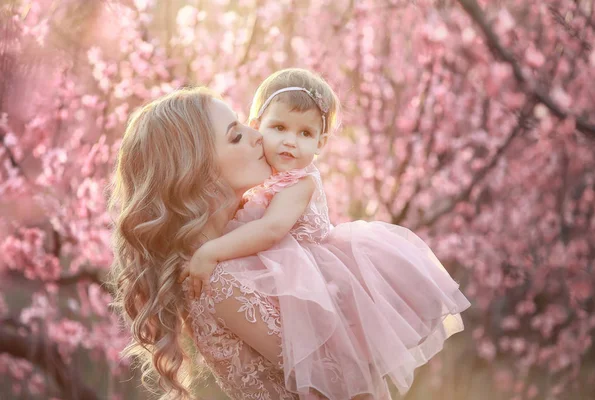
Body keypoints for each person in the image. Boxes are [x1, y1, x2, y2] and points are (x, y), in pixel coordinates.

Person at [180, 69, 471, 399]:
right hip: (282, 270)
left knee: (329, 353)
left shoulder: (298, 183)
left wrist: (211, 251)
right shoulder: (263, 184)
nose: (290, 141)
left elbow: (271, 229)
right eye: (279, 128)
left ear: (320, 143)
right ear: (258, 126)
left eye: (305, 133)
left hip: (311, 272)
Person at [108, 87, 302, 400]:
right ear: (198, 173)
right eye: (235, 136)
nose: (257, 135)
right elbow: (330, 377)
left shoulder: (229, 251)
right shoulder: (218, 281)